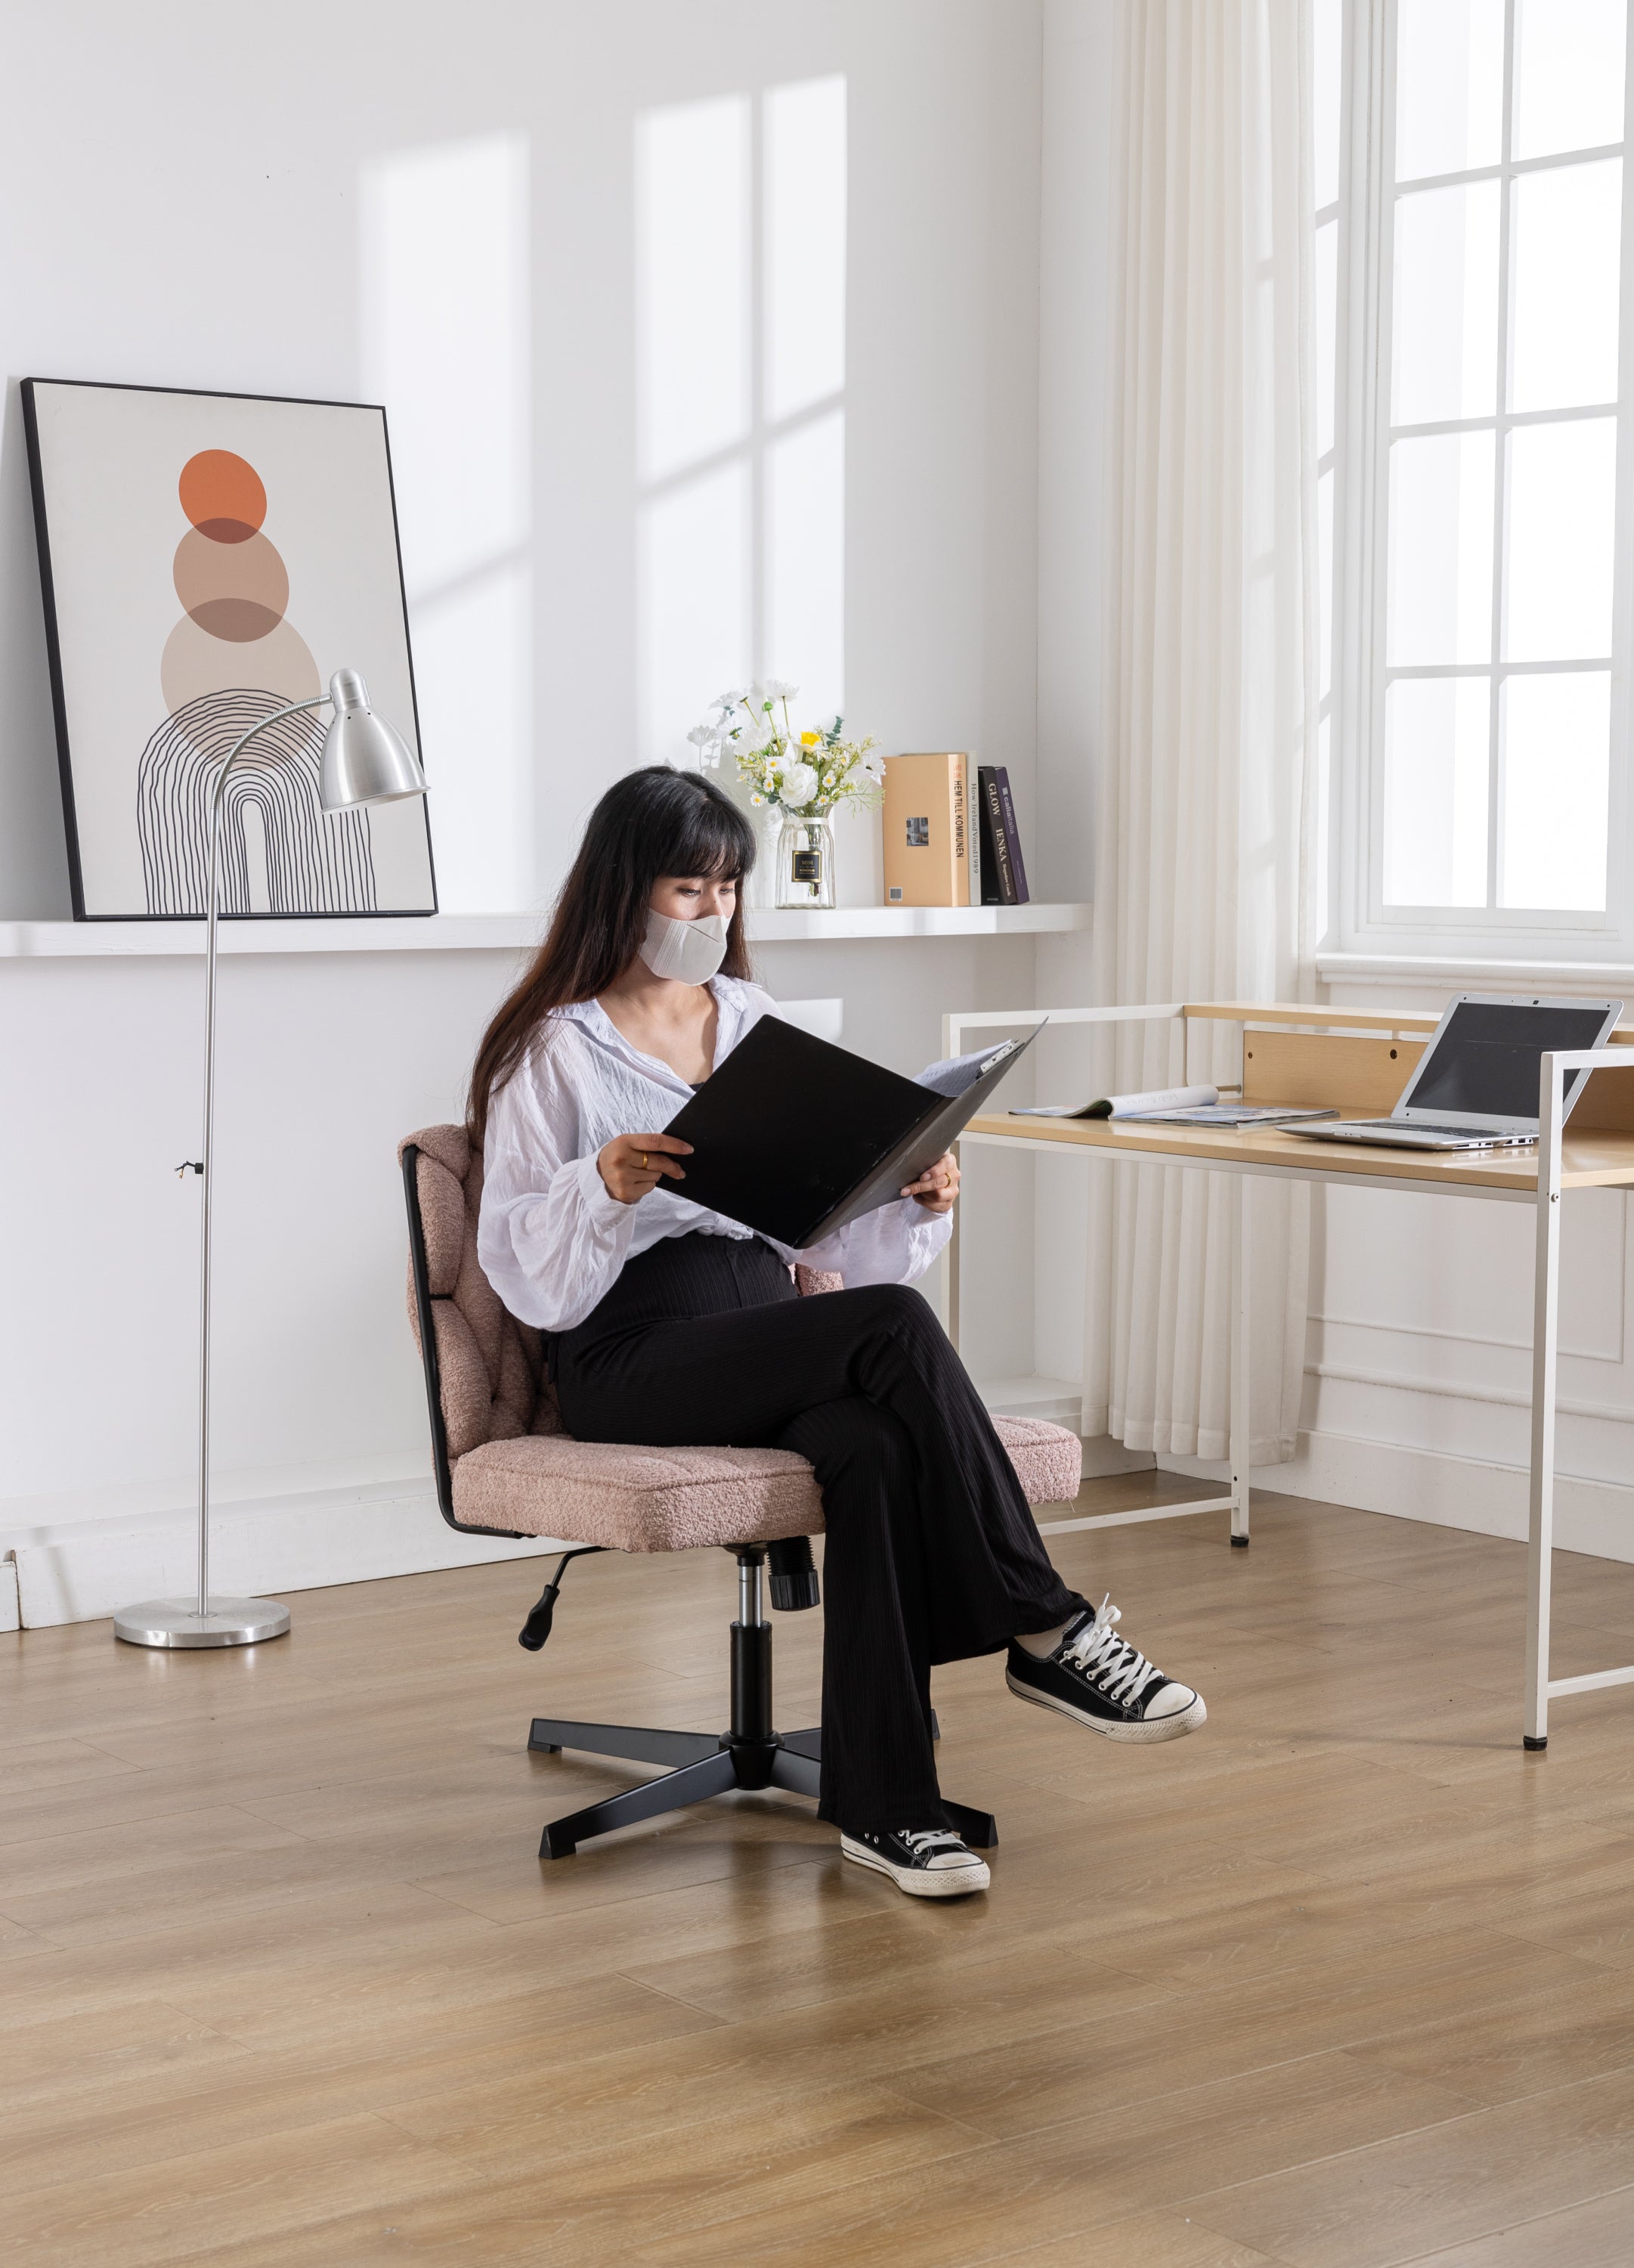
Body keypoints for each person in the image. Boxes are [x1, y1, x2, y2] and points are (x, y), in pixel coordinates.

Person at [471, 766, 1205, 1900]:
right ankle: (1045, 1627)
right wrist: (600, 1185)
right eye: (685, 889)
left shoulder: (757, 1023)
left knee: (873, 1441)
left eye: (725, 889)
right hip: (634, 1357)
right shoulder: (553, 1050)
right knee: (897, 1329)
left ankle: (887, 1810)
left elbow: (825, 1252)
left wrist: (908, 1194)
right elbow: (526, 1274)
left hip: (772, 1329)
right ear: (622, 891)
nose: (709, 913)